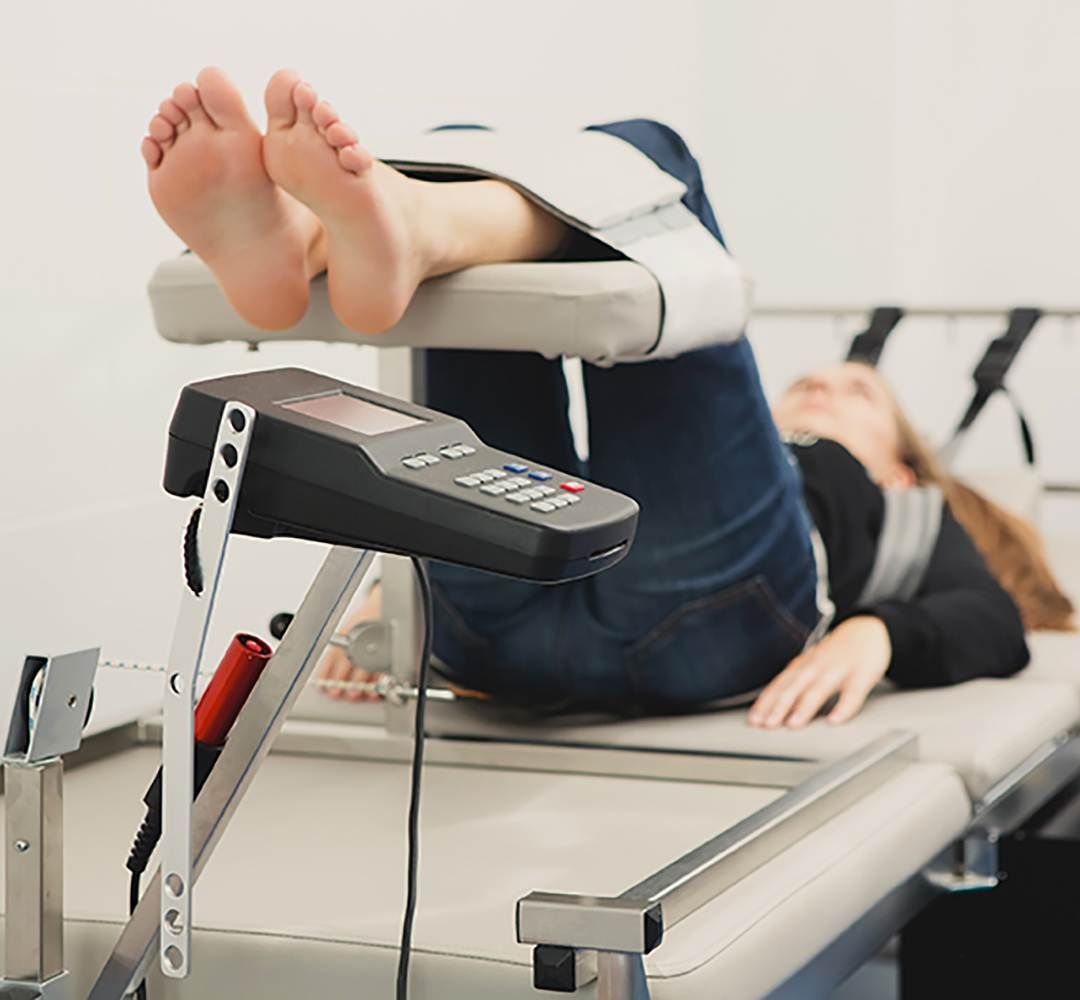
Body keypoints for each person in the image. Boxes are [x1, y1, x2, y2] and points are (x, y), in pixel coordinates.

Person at [142, 68, 1075, 730]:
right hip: (496, 609)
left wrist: (878, 633)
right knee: (484, 156)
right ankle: (371, 234)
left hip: (698, 623)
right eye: (807, 384)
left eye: (856, 394)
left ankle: (338, 241)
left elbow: (998, 621)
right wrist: (385, 603)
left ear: (898, 462)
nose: (822, 385)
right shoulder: (753, 450)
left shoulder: (901, 510)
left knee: (646, 160)